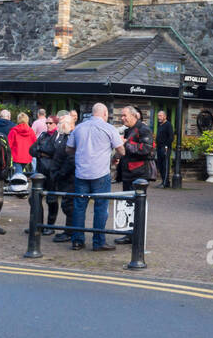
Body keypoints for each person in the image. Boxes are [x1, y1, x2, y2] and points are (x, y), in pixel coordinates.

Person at [66, 103, 125, 250]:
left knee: (79, 208)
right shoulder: (109, 128)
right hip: (100, 174)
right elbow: (122, 151)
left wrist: (81, 153)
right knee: (100, 208)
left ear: (93, 113)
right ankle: (98, 242)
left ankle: (77, 241)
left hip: (81, 173)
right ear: (105, 113)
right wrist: (114, 156)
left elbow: (68, 149)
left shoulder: (79, 127)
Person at [115, 106, 154, 243]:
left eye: (125, 115)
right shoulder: (128, 130)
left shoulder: (143, 129)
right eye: (122, 115)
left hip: (138, 175)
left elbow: (146, 149)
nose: (122, 118)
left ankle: (136, 236)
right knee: (128, 205)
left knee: (136, 206)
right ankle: (130, 235)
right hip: (128, 173)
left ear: (134, 115)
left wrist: (126, 144)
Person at [8, 112, 36, 177]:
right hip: (28, 158)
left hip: (16, 157)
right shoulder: (31, 131)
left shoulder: (13, 131)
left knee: (18, 178)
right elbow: (35, 144)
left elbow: (9, 145)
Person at [154, 110, 174, 188]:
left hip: (165, 148)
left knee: (165, 166)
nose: (159, 117)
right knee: (160, 166)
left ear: (165, 116)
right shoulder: (160, 125)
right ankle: (164, 182)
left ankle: (165, 183)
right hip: (159, 148)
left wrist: (166, 146)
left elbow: (171, 137)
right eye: (158, 116)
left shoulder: (168, 125)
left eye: (160, 116)